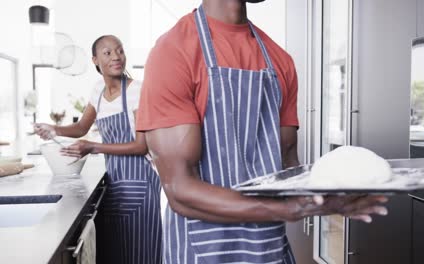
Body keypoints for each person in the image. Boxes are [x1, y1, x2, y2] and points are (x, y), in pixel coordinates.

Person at [137, 1, 388, 263]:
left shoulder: (279, 60)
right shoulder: (174, 52)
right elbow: (180, 191)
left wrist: (334, 189)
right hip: (203, 251)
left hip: (269, 248)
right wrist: (290, 208)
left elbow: (289, 166)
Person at [34, 35, 162, 264]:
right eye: (108, 53)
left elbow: (141, 145)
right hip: (115, 183)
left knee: (140, 253)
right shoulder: (97, 91)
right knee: (116, 254)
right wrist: (54, 129)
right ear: (95, 60)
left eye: (120, 51)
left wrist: (93, 147)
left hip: (139, 183)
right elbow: (82, 127)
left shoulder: (137, 91)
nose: (116, 57)